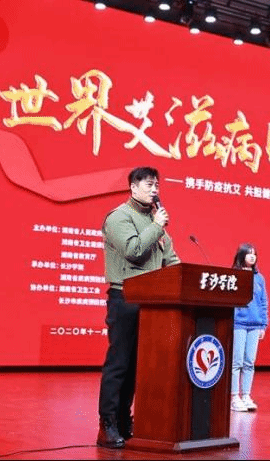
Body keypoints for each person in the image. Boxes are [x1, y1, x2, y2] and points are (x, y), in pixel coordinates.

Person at [97, 166, 180, 448]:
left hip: (152, 303)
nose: (154, 190)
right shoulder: (119, 217)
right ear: (133, 187)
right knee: (119, 363)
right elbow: (133, 251)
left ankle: (124, 420)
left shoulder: (156, 223)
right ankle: (107, 424)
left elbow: (172, 262)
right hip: (125, 298)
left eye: (157, 185)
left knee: (136, 366)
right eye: (148, 185)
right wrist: (156, 226)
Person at [230, 243, 268, 412]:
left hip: (255, 324)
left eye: (255, 254)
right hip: (239, 324)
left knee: (249, 362)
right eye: (249, 253)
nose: (252, 256)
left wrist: (263, 324)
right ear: (241, 256)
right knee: (237, 361)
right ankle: (234, 397)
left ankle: (246, 395)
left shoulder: (259, 278)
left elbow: (263, 302)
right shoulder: (234, 275)